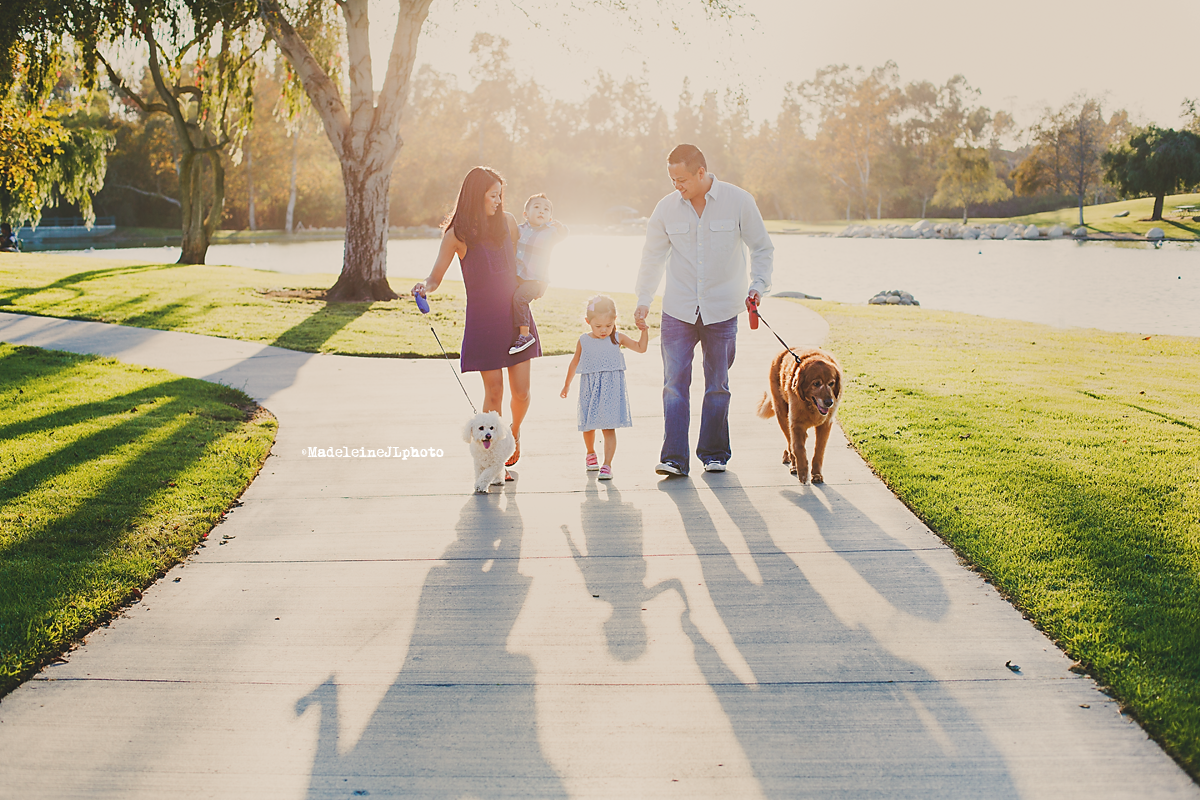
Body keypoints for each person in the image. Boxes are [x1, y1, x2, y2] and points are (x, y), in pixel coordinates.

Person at [633, 143, 773, 477]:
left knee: (718, 385)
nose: (676, 186)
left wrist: (758, 285)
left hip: (722, 309)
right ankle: (674, 459)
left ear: (701, 172)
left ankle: (714, 454)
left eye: (681, 179)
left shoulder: (739, 201)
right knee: (674, 385)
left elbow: (762, 247)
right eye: (672, 180)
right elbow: (652, 256)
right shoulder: (666, 208)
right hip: (677, 309)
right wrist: (644, 298)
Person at [413, 166, 539, 473]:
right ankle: (493, 461)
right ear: (475, 196)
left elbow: (528, 255)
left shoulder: (508, 223)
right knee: (494, 391)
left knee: (521, 392)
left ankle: (514, 433)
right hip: (483, 321)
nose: (498, 201)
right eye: (492, 195)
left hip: (516, 318)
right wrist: (424, 287)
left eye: (500, 195)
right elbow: (435, 277)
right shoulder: (456, 235)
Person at [560, 295, 649, 480]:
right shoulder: (584, 340)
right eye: (598, 326)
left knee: (608, 428)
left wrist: (644, 331)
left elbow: (641, 348)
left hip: (610, 390)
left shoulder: (617, 338)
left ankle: (607, 465)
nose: (603, 330)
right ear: (588, 322)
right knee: (588, 425)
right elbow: (574, 362)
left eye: (608, 325)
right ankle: (590, 453)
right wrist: (567, 385)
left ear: (614, 320)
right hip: (589, 388)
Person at [509, 193, 569, 355]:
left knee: (520, 299)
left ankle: (525, 335)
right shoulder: (520, 229)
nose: (542, 211)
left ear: (550, 218)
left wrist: (561, 228)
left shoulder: (550, 232)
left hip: (535, 280)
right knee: (511, 299)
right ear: (525, 214)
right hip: (518, 276)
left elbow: (563, 234)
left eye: (546, 209)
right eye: (536, 207)